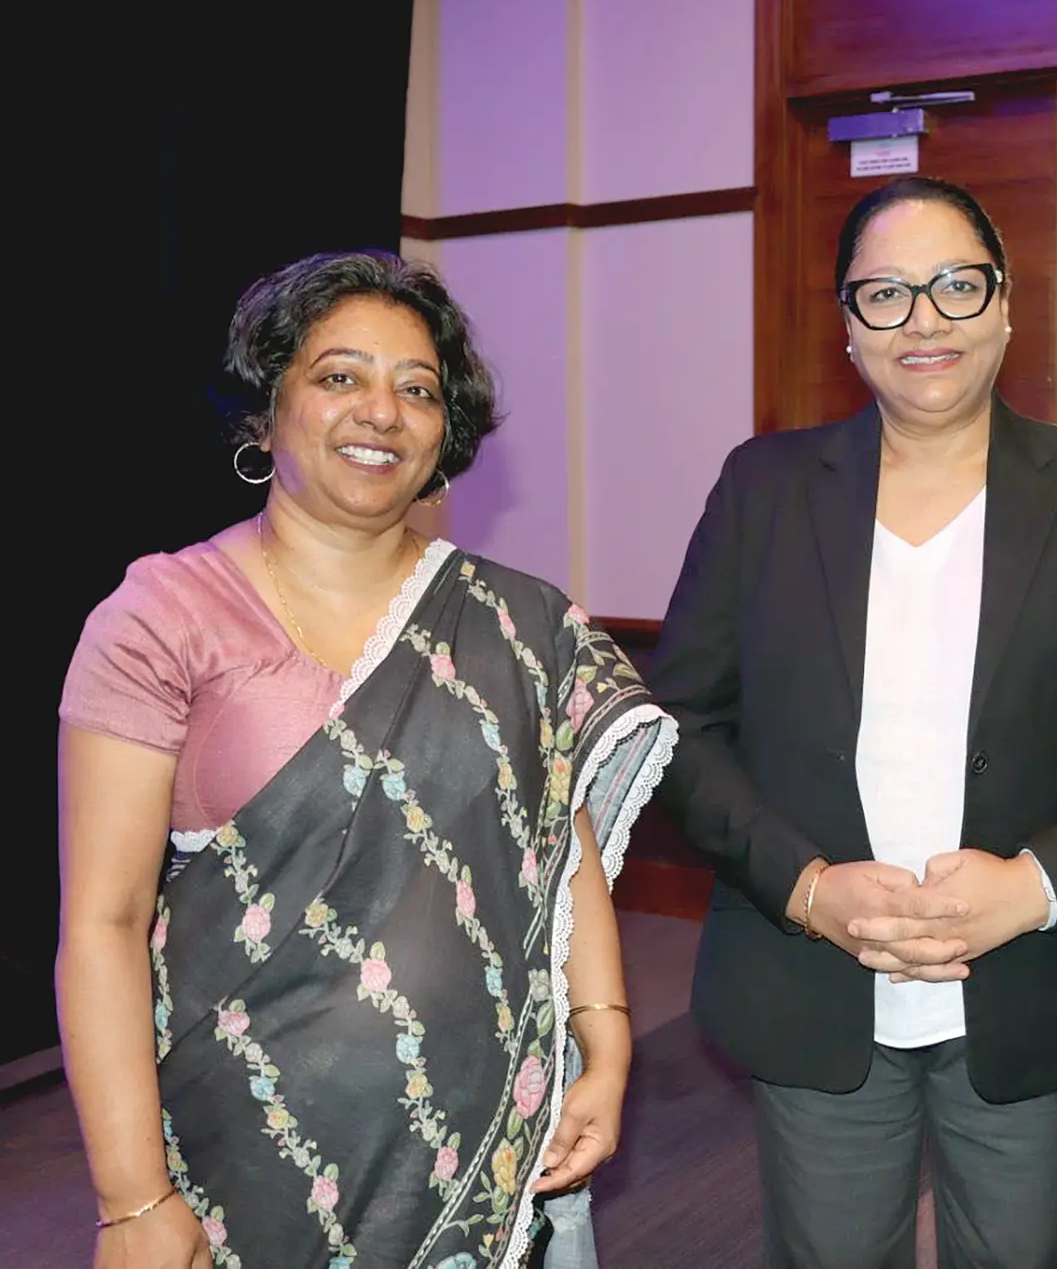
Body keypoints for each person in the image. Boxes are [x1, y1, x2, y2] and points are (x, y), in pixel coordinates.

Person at [57, 251, 675, 1269]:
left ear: (445, 436)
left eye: (417, 388)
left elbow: (563, 855)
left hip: (483, 1140)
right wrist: (132, 1197)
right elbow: (102, 922)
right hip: (236, 1153)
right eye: (340, 376)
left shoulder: (522, 623)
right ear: (267, 408)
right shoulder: (161, 618)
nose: (381, 411)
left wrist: (601, 1035)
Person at [649, 176, 1057, 1268]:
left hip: (1034, 985)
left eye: (958, 285)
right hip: (812, 981)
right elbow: (681, 725)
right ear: (847, 325)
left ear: (1006, 306)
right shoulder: (764, 488)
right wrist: (810, 890)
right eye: (887, 294)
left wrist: (1035, 884)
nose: (926, 321)